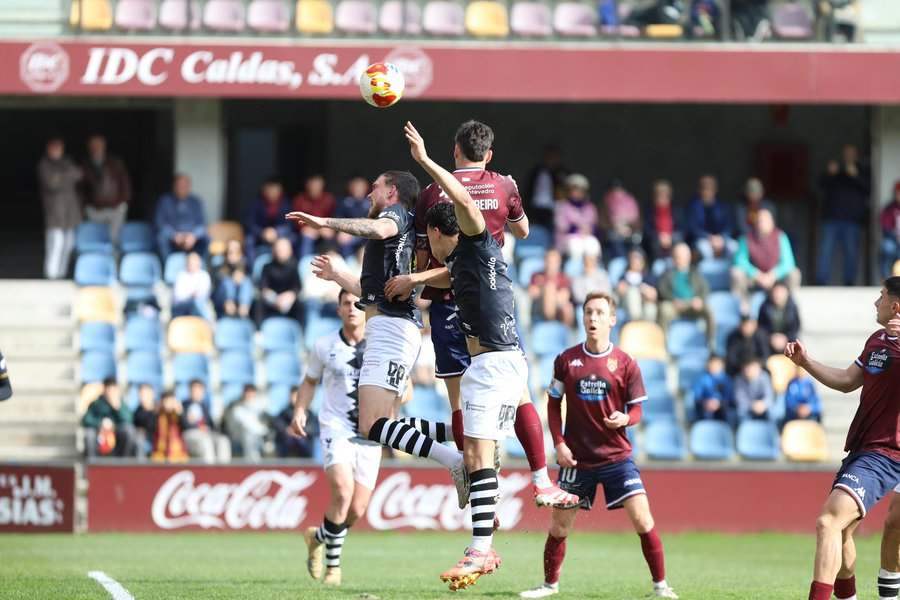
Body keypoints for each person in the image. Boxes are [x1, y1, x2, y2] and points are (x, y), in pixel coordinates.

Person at [404, 121, 576, 590]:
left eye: (432, 244)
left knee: (477, 454)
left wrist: (424, 161)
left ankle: (482, 545)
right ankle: (507, 517)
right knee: (479, 451)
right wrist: (415, 281)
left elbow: (463, 207)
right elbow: (441, 271)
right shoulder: (466, 253)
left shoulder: (474, 240)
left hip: (493, 362)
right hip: (497, 361)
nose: (429, 254)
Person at [287, 169, 469, 508]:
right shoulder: (396, 238)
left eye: (375, 188)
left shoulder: (394, 215)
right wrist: (338, 275)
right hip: (395, 326)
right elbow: (374, 293)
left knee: (370, 427)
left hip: (390, 330)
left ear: (393, 192)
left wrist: (324, 222)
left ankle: (457, 461)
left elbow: (378, 227)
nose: (369, 194)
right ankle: (465, 432)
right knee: (388, 425)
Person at [520, 292, 678, 599]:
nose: (593, 318)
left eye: (600, 313)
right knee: (559, 527)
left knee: (643, 519)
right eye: (588, 312)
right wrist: (559, 444)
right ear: (582, 318)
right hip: (576, 459)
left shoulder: (626, 363)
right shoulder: (566, 360)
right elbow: (554, 405)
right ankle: (549, 585)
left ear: (612, 320)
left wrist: (625, 420)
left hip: (617, 457)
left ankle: (661, 585)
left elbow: (638, 410)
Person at [784, 278, 900, 600]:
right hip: (867, 449)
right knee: (843, 535)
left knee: (828, 522)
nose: (875, 303)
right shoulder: (877, 340)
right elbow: (848, 380)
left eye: (881, 297)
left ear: (895, 306)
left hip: (887, 453)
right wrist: (805, 362)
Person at [293, 289, 376, 587]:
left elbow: (405, 390)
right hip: (336, 427)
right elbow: (309, 381)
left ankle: (317, 537)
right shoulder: (324, 345)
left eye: (357, 304)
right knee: (342, 492)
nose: (352, 308)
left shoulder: (381, 346)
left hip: (372, 432)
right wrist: (300, 410)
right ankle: (334, 569)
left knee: (356, 510)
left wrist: (402, 393)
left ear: (366, 309)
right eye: (346, 304)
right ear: (339, 309)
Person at [816, 144, 870, 286]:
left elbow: (869, 188)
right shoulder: (836, 169)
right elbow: (820, 184)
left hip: (852, 220)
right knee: (826, 251)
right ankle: (821, 281)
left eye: (851, 153)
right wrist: (829, 173)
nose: (848, 156)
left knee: (851, 254)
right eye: (846, 153)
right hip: (831, 219)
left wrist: (856, 176)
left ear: (856, 155)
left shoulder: (863, 170)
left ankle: (849, 282)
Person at [731, 208, 801, 311]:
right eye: (759, 221)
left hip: (775, 279)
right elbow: (740, 260)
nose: (762, 224)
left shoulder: (780, 236)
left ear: (772, 222)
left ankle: (789, 304)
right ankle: (740, 308)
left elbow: (788, 262)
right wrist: (757, 274)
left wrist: (773, 275)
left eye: (765, 221)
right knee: (736, 272)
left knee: (794, 273)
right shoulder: (746, 238)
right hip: (753, 279)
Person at [37, 135, 82, 280]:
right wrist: (67, 176)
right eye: (54, 147)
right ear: (48, 149)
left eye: (59, 147)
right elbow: (52, 184)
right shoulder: (44, 164)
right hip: (55, 213)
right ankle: (51, 276)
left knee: (69, 244)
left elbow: (79, 175)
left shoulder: (67, 161)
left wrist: (62, 176)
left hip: (70, 212)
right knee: (55, 244)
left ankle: (61, 275)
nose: (57, 150)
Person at [657, 242, 715, 348]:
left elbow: (705, 289)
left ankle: (710, 344)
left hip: (692, 305)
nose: (678, 259)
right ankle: (663, 346)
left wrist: (700, 299)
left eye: (681, 256)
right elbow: (662, 290)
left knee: (709, 310)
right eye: (676, 256)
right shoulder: (667, 273)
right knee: (664, 309)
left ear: (688, 257)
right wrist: (673, 300)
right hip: (674, 305)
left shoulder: (696, 273)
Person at [80, 135, 131, 246]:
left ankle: (113, 263)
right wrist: (86, 206)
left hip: (114, 209)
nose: (96, 149)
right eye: (93, 147)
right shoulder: (86, 165)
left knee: (114, 240)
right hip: (95, 210)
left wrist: (122, 203)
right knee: (95, 240)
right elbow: (82, 190)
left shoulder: (116, 163)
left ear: (104, 147)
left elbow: (125, 185)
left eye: (98, 146)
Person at [154, 173, 208, 261]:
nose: (181, 189)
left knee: (207, 239)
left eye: (184, 186)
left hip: (191, 237)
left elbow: (202, 224)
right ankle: (168, 267)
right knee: (161, 238)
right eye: (179, 186)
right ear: (174, 186)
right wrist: (174, 235)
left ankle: (200, 267)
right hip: (173, 237)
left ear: (188, 186)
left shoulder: (196, 202)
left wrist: (193, 236)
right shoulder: (164, 201)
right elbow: (160, 223)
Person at [82, 378, 139, 458]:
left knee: (129, 431)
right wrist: (100, 423)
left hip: (117, 437)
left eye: (113, 389)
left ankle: (125, 464)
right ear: (104, 390)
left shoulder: (121, 404)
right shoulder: (96, 404)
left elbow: (128, 420)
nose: (111, 392)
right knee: (89, 435)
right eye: (109, 389)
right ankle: (92, 465)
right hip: (99, 436)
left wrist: (117, 409)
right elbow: (86, 420)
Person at [180, 380, 231, 464]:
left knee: (223, 440)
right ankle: (209, 473)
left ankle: (224, 471)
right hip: (191, 434)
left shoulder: (204, 406)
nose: (197, 393)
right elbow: (184, 425)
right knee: (206, 442)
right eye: (194, 390)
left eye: (200, 390)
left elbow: (211, 425)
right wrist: (195, 426)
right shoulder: (183, 405)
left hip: (206, 433)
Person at [685, 174, 735, 259]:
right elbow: (691, 228)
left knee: (733, 247)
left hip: (721, 239)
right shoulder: (692, 205)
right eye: (703, 188)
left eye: (709, 188)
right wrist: (709, 237)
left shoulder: (722, 206)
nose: (706, 191)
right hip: (701, 239)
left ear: (715, 190)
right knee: (705, 249)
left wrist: (721, 237)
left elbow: (729, 226)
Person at [255, 237, 302, 326]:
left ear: (290, 251)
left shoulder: (294, 267)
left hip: (288, 301)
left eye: (283, 250)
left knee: (301, 305)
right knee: (258, 303)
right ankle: (258, 331)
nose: (280, 252)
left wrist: (289, 296)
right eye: (278, 249)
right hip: (271, 300)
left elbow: (297, 287)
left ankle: (301, 334)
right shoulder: (267, 267)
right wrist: (274, 299)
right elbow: (263, 287)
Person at [244, 177, 293, 263]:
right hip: (260, 236)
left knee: (293, 239)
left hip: (280, 235)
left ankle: (289, 268)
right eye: (269, 189)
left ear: (280, 190)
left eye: (275, 190)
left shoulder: (286, 204)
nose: (272, 193)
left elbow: (289, 224)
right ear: (263, 190)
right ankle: (253, 269)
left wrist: (276, 232)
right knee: (249, 240)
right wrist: (262, 233)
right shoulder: (255, 203)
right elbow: (250, 223)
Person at [554, 174, 601, 260]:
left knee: (593, 244)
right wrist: (577, 229)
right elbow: (562, 226)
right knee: (576, 246)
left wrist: (590, 229)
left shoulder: (590, 207)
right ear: (569, 192)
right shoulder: (563, 206)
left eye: (580, 190)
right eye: (574, 190)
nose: (577, 193)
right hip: (568, 239)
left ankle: (590, 271)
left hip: (586, 237)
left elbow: (595, 226)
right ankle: (574, 271)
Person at [293, 174, 337, 258]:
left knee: (333, 238)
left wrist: (330, 228)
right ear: (307, 185)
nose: (314, 187)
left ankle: (331, 264)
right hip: (309, 231)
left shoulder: (329, 199)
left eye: (317, 184)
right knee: (306, 238)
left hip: (325, 230)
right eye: (312, 184)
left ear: (322, 184)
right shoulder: (300, 199)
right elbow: (296, 220)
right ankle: (305, 265)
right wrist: (305, 228)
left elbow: (335, 218)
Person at [529, 248, 575, 326]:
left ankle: (566, 334)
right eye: (548, 262)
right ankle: (550, 326)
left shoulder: (563, 277)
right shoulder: (537, 275)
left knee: (568, 308)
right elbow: (532, 293)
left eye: (553, 262)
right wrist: (545, 289)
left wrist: (552, 294)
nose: (550, 265)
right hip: (539, 305)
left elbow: (565, 296)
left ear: (558, 263)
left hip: (558, 304)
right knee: (549, 291)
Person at [599, 178, 642, 260]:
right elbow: (603, 221)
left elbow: (637, 221)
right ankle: (622, 259)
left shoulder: (630, 200)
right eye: (615, 189)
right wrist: (616, 227)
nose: (617, 192)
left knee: (637, 238)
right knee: (614, 238)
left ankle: (634, 259)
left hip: (629, 230)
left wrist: (629, 228)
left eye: (620, 189)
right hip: (613, 231)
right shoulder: (606, 202)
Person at [525, 143, 567, 226]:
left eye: (554, 157)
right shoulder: (537, 172)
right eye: (549, 157)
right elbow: (528, 192)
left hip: (559, 208)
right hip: (539, 208)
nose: (552, 160)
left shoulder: (563, 173)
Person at [227, 384, 270, 462]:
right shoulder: (236, 407)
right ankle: (253, 464)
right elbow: (235, 425)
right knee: (248, 434)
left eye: (252, 394)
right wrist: (263, 432)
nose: (250, 396)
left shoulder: (260, 408)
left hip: (257, 436)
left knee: (252, 436)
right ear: (243, 394)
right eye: (248, 394)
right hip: (238, 435)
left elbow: (267, 422)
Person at [642, 179, 683, 261]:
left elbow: (682, 228)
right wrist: (659, 237)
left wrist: (670, 237)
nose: (662, 199)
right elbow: (646, 229)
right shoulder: (649, 210)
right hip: (655, 246)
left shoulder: (676, 210)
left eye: (665, 196)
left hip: (673, 241)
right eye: (659, 195)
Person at [615, 249, 659, 323]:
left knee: (650, 309)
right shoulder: (624, 276)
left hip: (644, 301)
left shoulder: (648, 277)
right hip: (628, 304)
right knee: (632, 292)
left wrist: (645, 289)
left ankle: (646, 329)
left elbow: (654, 296)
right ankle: (635, 321)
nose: (635, 263)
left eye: (638, 261)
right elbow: (619, 291)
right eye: (633, 261)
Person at [757, 282, 801, 355]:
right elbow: (762, 326)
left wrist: (785, 338)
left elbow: (796, 326)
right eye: (776, 292)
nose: (778, 295)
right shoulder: (764, 307)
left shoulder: (792, 307)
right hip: (770, 338)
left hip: (788, 337)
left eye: (781, 292)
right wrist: (772, 337)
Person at [213, 239, 253, 319]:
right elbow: (215, 287)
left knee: (246, 281)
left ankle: (243, 307)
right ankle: (229, 304)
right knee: (227, 281)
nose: (233, 255)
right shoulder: (218, 266)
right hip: (221, 300)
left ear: (240, 254)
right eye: (230, 252)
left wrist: (240, 278)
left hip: (238, 299)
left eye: (236, 252)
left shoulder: (245, 267)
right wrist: (231, 278)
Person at [334, 176, 371, 259]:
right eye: (355, 186)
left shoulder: (372, 202)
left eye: (360, 186)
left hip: (366, 235)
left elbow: (374, 223)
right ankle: (347, 267)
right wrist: (342, 231)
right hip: (348, 234)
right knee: (343, 241)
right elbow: (338, 220)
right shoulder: (343, 201)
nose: (357, 189)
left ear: (366, 187)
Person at [692, 355, 734, 424]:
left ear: (722, 366)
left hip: (722, 406)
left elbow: (729, 397)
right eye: (712, 365)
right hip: (706, 406)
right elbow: (697, 395)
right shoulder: (701, 378)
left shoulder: (726, 379)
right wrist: (705, 403)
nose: (714, 367)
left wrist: (720, 403)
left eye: (717, 365)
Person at [171, 251, 212, 320]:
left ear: (199, 263)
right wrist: (191, 295)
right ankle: (209, 322)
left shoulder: (204, 276)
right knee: (195, 302)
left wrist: (193, 295)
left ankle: (205, 323)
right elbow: (178, 297)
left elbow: (204, 294)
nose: (192, 264)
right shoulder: (181, 276)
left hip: (199, 306)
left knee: (197, 303)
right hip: (182, 307)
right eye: (190, 262)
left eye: (194, 262)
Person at [150, 390, 188, 463]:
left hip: (178, 453)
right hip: (159, 453)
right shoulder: (158, 414)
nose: (168, 404)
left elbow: (186, 427)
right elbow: (150, 428)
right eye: (165, 401)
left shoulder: (178, 413)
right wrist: (155, 412)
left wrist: (180, 413)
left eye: (170, 401)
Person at [733, 357, 774, 421]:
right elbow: (739, 398)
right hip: (748, 407)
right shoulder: (739, 379)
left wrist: (763, 404)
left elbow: (769, 395)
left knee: (772, 411)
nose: (750, 371)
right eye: (748, 368)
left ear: (759, 369)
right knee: (740, 412)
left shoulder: (765, 377)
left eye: (753, 368)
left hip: (762, 406)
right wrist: (752, 406)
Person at [879, 181, 900, 279]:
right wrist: (896, 235)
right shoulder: (889, 208)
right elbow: (885, 227)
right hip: (893, 240)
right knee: (886, 247)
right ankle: (887, 281)